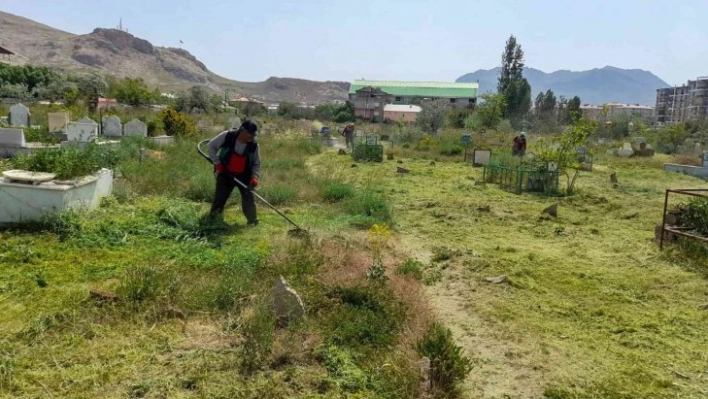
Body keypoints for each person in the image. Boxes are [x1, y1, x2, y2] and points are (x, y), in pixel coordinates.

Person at [207, 120, 261, 225]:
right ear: (243, 130)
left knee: (249, 199)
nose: (252, 137)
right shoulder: (228, 136)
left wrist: (255, 177)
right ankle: (213, 220)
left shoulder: (253, 145)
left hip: (244, 175)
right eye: (250, 134)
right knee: (220, 198)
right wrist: (217, 163)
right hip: (225, 173)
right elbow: (211, 146)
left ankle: (252, 221)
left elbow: (256, 164)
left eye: (253, 135)